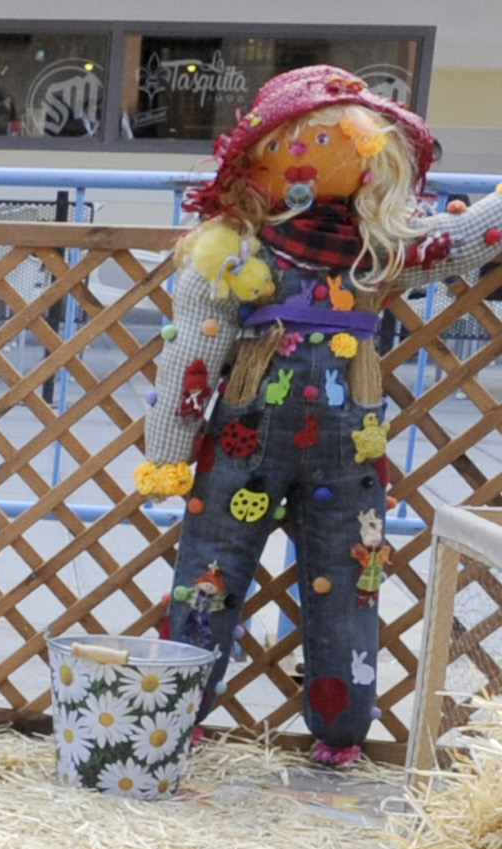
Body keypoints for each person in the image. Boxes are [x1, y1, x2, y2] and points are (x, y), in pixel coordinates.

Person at [135, 64, 502, 766]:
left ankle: (339, 730)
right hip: (254, 442)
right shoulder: (235, 249)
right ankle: (179, 712)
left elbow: (461, 241)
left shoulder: (378, 248)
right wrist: (169, 451)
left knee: (348, 579)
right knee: (214, 575)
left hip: (344, 448)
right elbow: (192, 354)